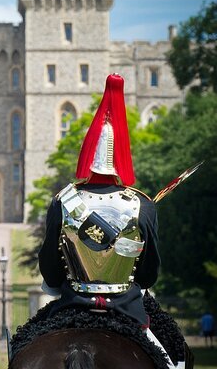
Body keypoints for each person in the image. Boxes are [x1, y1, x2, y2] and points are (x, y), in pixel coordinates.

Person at [38, 74, 179, 366]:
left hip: (71, 305)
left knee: (22, 344)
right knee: (171, 356)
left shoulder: (63, 201)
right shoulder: (142, 205)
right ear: (122, 158)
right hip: (128, 309)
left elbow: (51, 271)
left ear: (88, 155)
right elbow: (149, 273)